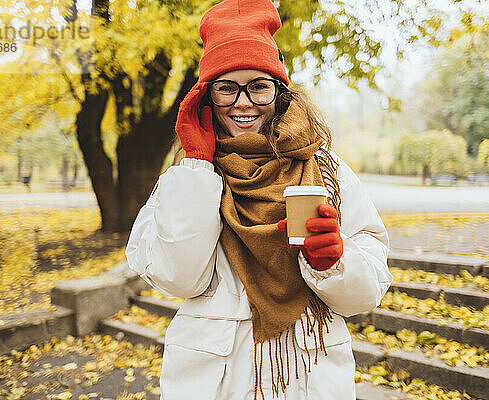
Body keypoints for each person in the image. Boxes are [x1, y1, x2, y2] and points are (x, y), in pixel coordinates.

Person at [125, 0, 392, 399]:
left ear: (280, 92)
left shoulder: (328, 168)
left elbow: (367, 291)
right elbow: (180, 278)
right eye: (226, 87)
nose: (243, 101)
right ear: (206, 97)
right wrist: (199, 165)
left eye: (258, 86)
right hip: (213, 384)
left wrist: (335, 263)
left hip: (309, 380)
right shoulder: (185, 178)